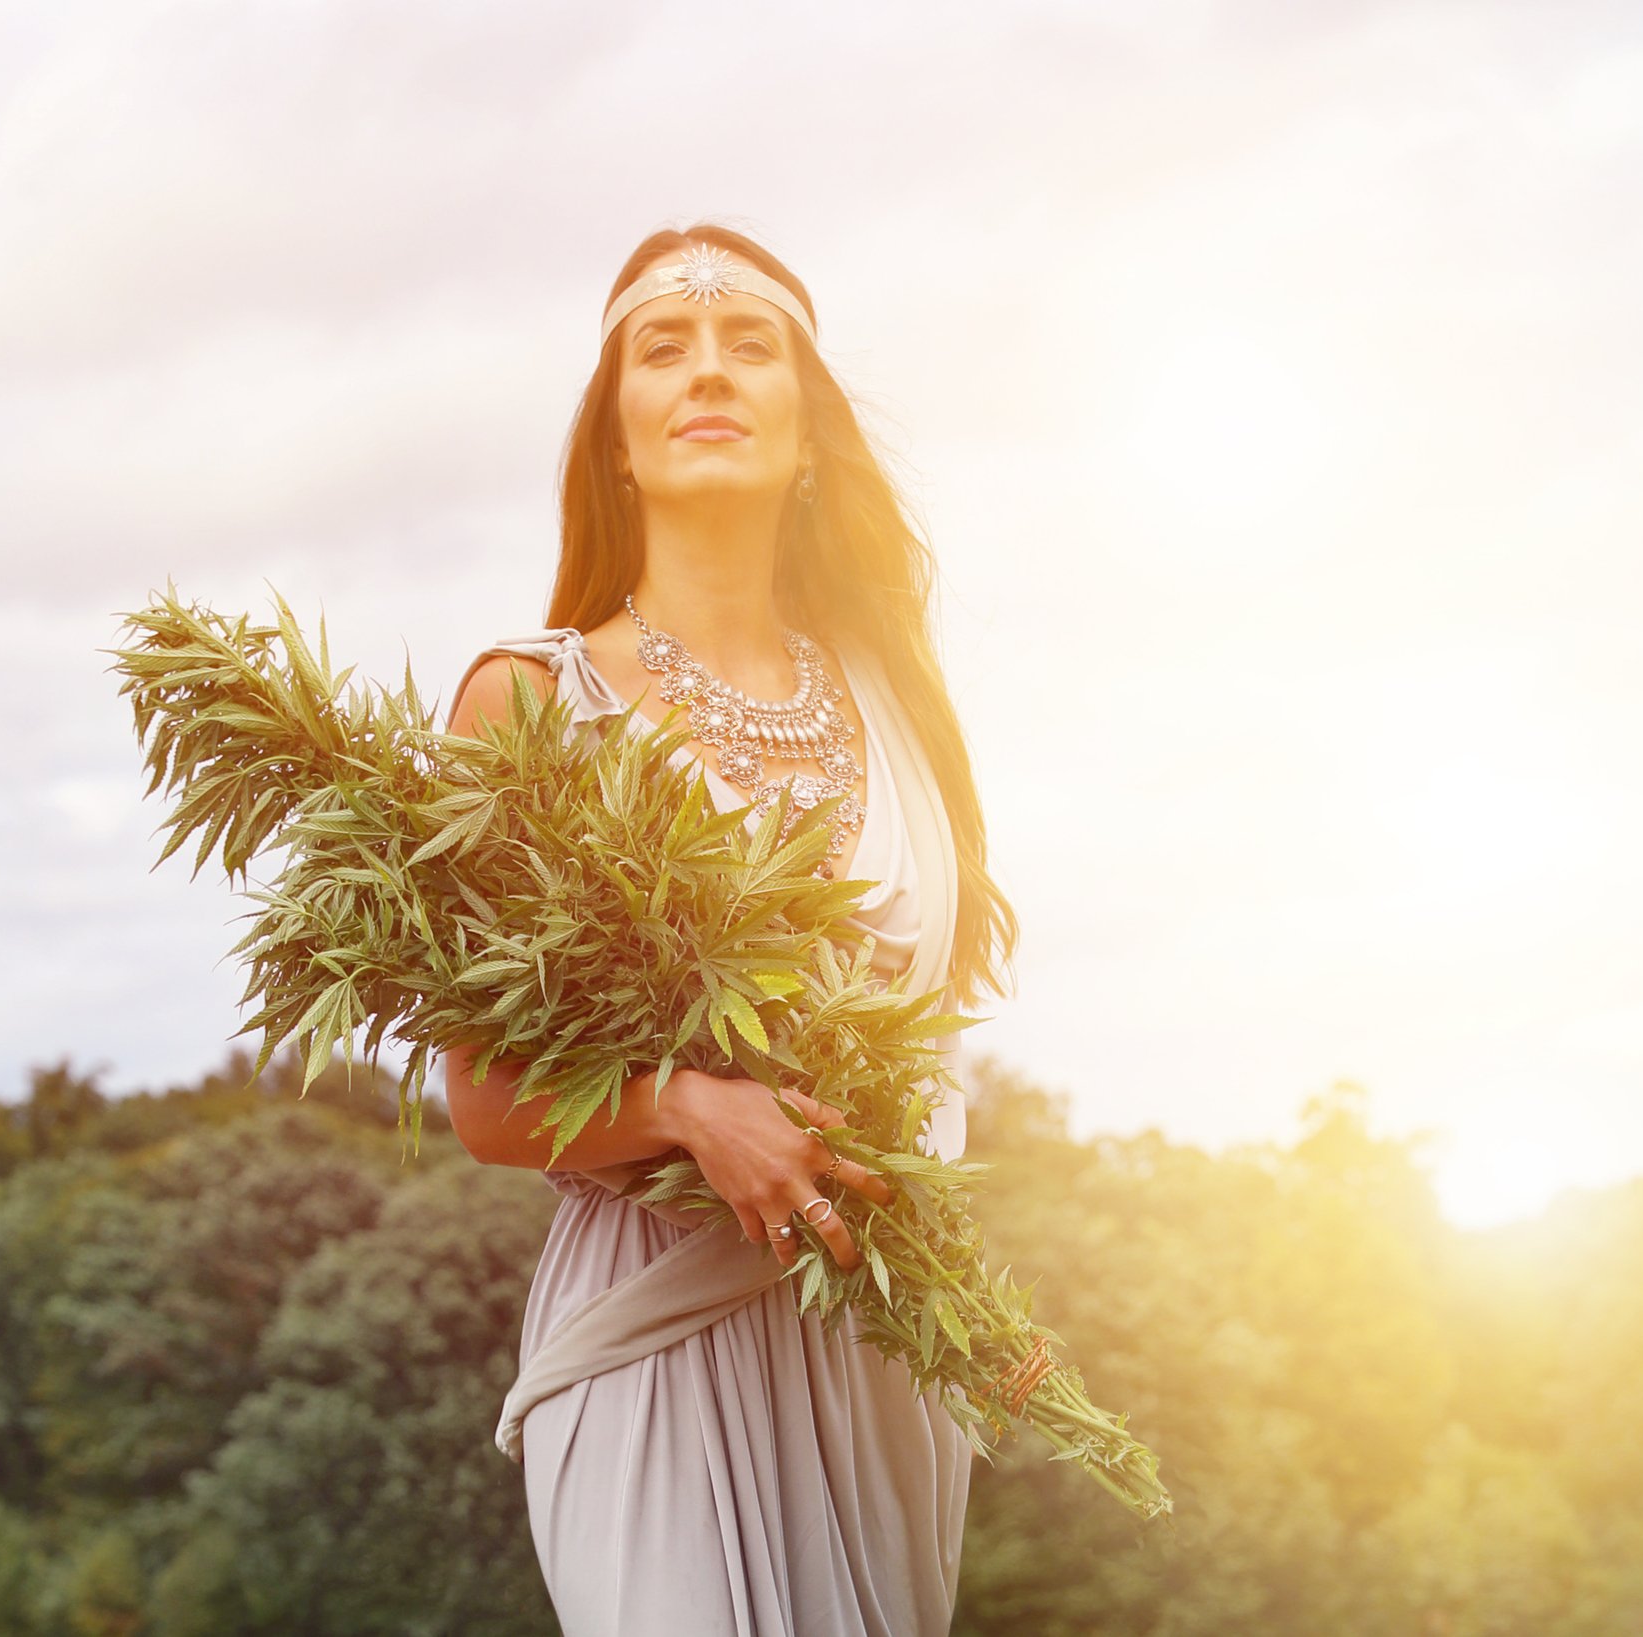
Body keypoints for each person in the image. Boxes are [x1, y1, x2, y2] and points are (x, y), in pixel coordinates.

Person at [441, 223, 1018, 1637]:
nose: (709, 371)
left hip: (876, 1345)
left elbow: (923, 1063)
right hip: (652, 1324)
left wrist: (964, 1289)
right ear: (617, 440)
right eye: (665, 347)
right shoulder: (525, 703)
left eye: (749, 345)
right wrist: (690, 1106)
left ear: (808, 429)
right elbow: (484, 1100)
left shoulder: (897, 704)